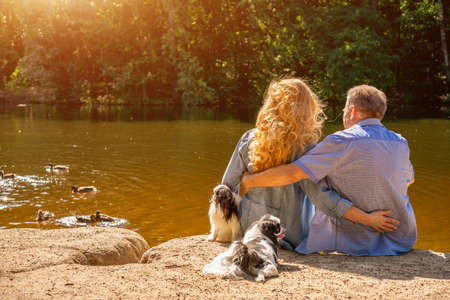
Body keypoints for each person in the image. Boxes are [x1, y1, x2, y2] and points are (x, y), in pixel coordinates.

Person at [222, 78, 398, 250]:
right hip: (286, 234)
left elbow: (227, 187)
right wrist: (369, 219)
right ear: (308, 110)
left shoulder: (250, 138)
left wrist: (247, 183)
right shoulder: (307, 149)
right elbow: (325, 200)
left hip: (249, 230)